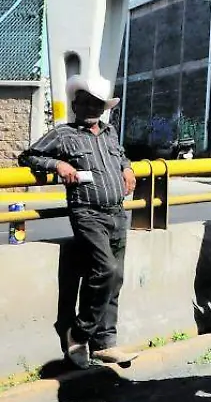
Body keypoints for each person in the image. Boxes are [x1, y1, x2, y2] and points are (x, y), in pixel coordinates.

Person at [19, 74, 138, 368]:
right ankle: (78, 332)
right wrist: (57, 163)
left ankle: (104, 343)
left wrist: (127, 168)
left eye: (97, 104)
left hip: (116, 212)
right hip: (87, 213)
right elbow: (28, 156)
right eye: (85, 103)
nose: (91, 109)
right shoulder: (63, 135)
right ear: (75, 104)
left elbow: (121, 156)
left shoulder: (109, 132)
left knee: (116, 278)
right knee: (105, 270)